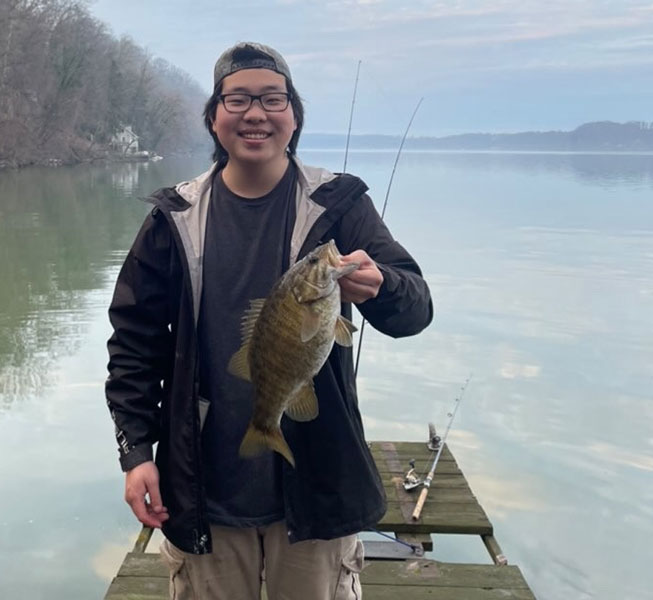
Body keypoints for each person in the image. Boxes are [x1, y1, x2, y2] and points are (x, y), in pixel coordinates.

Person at [105, 42, 433, 600]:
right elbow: (134, 347)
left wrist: (383, 289)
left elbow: (415, 311)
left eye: (273, 99)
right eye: (237, 99)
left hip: (320, 489)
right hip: (202, 489)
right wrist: (137, 453)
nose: (255, 113)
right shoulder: (173, 218)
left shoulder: (340, 204)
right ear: (214, 117)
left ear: (294, 116)